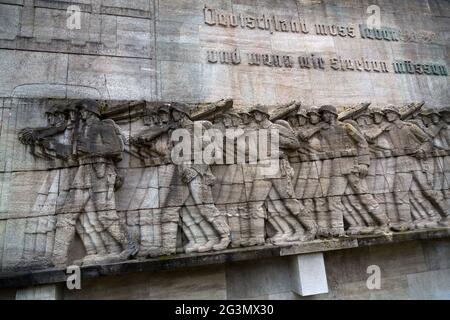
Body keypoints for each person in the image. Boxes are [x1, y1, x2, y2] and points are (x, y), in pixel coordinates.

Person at [52, 100, 137, 266]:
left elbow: (115, 150)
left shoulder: (103, 126)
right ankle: (57, 260)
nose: (80, 115)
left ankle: (130, 245)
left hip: (101, 172)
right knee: (67, 214)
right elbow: (73, 154)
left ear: (90, 112)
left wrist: (90, 149)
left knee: (106, 215)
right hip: (83, 171)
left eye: (82, 111)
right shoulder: (81, 129)